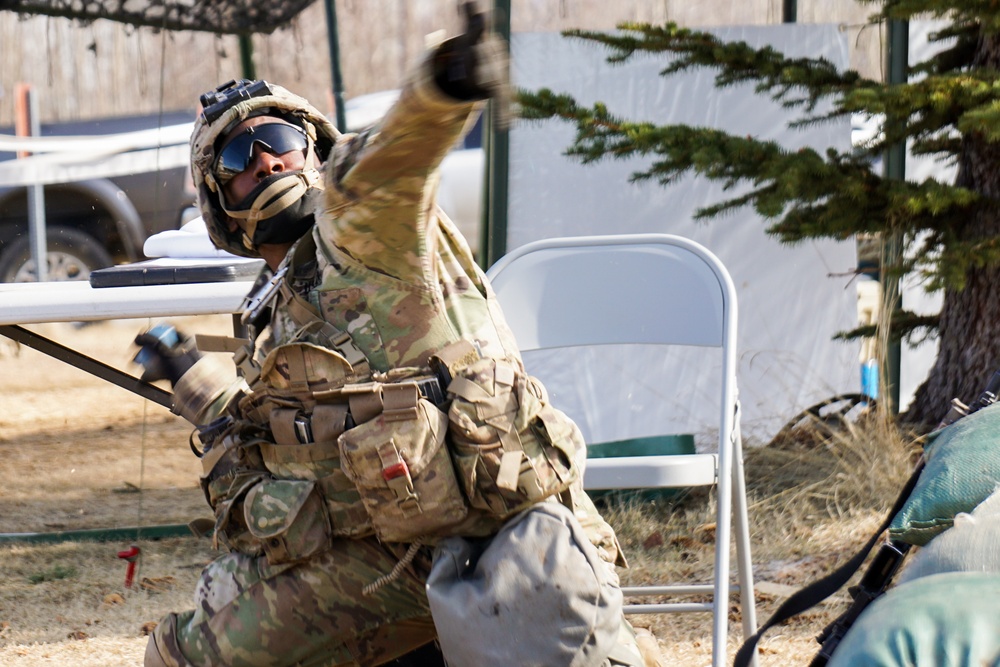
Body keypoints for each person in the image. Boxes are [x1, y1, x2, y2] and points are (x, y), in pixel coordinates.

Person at [136, 7, 657, 666]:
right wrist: (192, 376)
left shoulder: (361, 223)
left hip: (503, 545)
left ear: (314, 150)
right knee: (188, 644)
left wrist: (443, 86)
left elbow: (396, 158)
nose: (266, 161)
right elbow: (282, 438)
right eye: (240, 156)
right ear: (220, 198)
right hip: (380, 564)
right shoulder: (276, 307)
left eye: (278, 140)